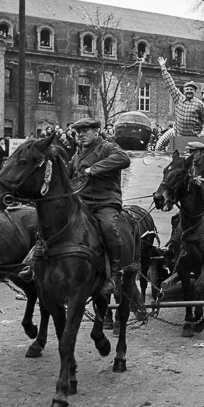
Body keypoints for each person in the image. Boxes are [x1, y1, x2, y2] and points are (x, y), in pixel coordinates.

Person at [68, 117, 130, 297]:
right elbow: (68, 177)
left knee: (108, 228)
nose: (80, 135)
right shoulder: (77, 155)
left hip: (105, 202)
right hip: (82, 203)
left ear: (96, 131)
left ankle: (116, 273)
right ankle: (34, 262)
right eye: (78, 132)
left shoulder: (108, 147)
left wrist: (93, 169)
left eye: (84, 131)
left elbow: (123, 159)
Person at [157, 56, 204, 137]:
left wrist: (203, 131)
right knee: (162, 142)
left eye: (191, 89)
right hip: (179, 136)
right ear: (184, 91)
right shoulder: (178, 98)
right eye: (187, 89)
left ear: (194, 91)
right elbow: (170, 84)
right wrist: (163, 67)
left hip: (194, 137)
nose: (189, 91)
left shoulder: (199, 104)